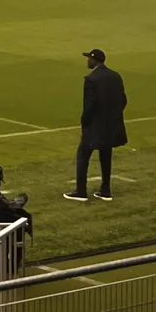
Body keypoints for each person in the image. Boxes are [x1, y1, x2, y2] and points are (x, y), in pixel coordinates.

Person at [64, 49, 127, 202]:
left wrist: (85, 122)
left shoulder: (91, 79)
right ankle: (105, 190)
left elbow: (89, 106)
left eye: (89, 59)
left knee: (83, 154)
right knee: (106, 156)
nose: (87, 61)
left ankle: (81, 191)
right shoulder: (115, 76)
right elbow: (123, 100)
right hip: (111, 125)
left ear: (94, 60)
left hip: (95, 126)